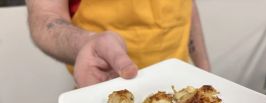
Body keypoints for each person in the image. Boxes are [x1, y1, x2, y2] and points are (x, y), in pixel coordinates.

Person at [25, 0, 211, 88]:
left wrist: (205, 71)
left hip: (179, 83)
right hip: (106, 89)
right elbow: (45, 18)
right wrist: (86, 42)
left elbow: (186, 7)